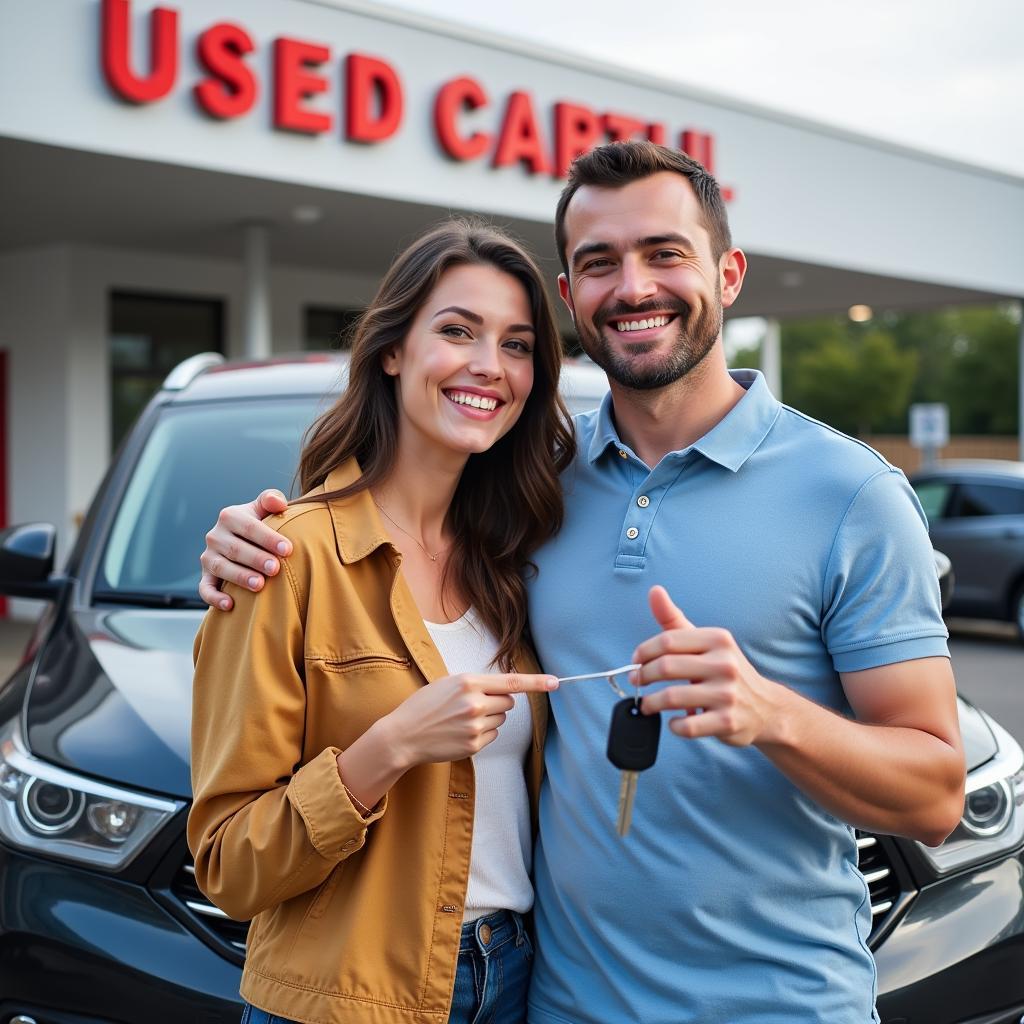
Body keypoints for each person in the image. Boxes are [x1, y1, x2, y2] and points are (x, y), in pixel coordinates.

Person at [199, 142, 966, 1023]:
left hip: (782, 1003)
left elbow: (938, 798)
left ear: (730, 272)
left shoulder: (853, 495)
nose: (633, 286)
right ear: (572, 297)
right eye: (599, 262)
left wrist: (772, 713)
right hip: (555, 1000)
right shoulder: (536, 491)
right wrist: (244, 544)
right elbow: (381, 534)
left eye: (664, 253)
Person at [187, 219, 576, 1024]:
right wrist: (388, 748)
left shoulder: (519, 555)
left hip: (518, 979)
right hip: (347, 1001)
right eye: (457, 331)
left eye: (517, 344)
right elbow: (227, 866)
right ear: (392, 349)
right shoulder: (282, 559)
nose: (487, 366)